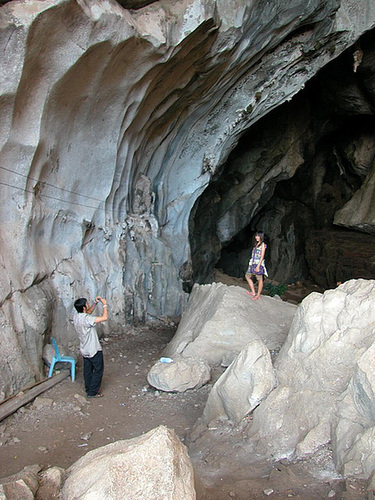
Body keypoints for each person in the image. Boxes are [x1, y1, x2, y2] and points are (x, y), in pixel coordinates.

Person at [73, 296, 108, 398]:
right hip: (93, 349)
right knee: (98, 370)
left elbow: (88, 312)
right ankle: (93, 392)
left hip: (84, 349)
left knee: (88, 370)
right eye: (87, 304)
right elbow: (104, 317)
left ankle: (88, 388)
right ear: (84, 307)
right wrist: (104, 304)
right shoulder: (87, 320)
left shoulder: (77, 317)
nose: (88, 306)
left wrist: (95, 303)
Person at [245, 231, 268, 300]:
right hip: (252, 263)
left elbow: (262, 256)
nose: (256, 237)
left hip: (258, 264)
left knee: (260, 279)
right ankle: (253, 292)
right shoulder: (256, 244)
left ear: (261, 236)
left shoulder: (263, 245)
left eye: (258, 236)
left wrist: (258, 266)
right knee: (247, 276)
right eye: (256, 236)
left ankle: (258, 295)